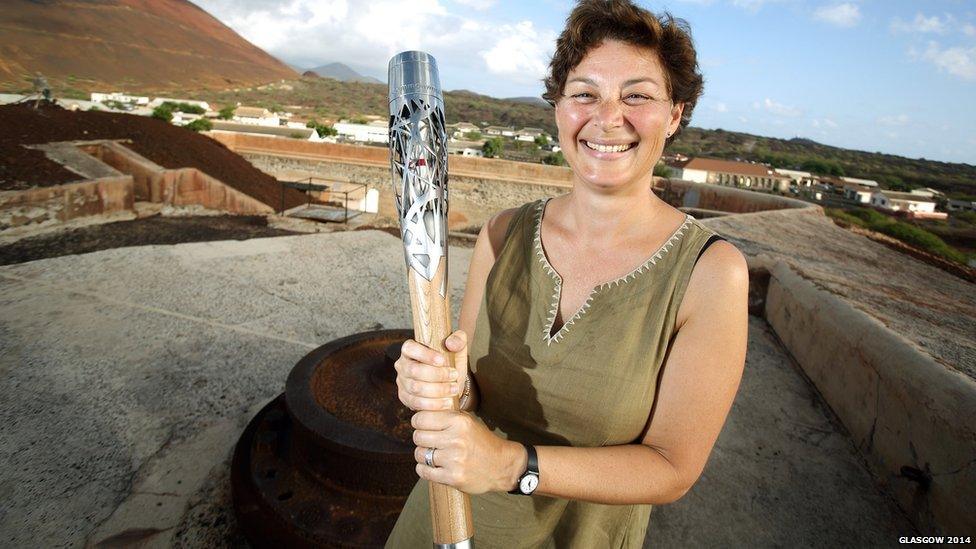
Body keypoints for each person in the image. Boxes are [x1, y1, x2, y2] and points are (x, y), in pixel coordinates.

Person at [385, 0, 748, 546]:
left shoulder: (710, 272)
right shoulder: (503, 235)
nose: (608, 117)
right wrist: (440, 388)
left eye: (638, 95)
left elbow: (673, 467)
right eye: (584, 93)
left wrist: (513, 465)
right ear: (558, 106)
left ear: (674, 115)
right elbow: (472, 393)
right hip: (444, 521)